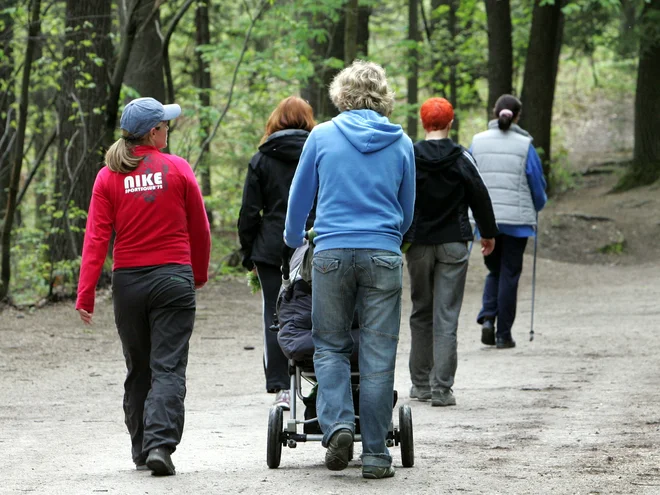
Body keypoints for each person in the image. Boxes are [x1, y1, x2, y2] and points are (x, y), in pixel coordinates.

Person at [284, 60, 415, 480]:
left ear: (341, 94)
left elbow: (298, 200)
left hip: (332, 252)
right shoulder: (402, 143)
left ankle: (338, 424)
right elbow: (408, 210)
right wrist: (389, 237)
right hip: (383, 254)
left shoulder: (321, 137)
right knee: (378, 357)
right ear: (383, 96)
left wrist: (293, 239)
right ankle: (376, 455)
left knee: (330, 346)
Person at [75, 97, 211, 476]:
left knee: (139, 369)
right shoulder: (178, 169)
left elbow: (96, 239)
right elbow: (200, 229)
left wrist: (86, 294)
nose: (169, 129)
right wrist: (197, 274)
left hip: (129, 284)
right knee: (167, 367)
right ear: (153, 132)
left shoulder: (108, 176)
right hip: (173, 279)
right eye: (165, 124)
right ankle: (159, 446)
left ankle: (141, 449)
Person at [404, 97, 498, 407]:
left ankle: (420, 384)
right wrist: (488, 233)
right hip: (454, 243)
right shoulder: (462, 158)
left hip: (417, 243)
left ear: (423, 122)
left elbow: (396, 194)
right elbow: (480, 196)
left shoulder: (409, 156)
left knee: (421, 311)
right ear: (450, 122)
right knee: (446, 315)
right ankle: (441, 389)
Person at [237, 96, 316, 410]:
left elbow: (248, 212)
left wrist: (249, 254)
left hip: (270, 247)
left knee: (274, 315)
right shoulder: (320, 151)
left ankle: (281, 388)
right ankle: (321, 377)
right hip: (313, 242)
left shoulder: (261, 158)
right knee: (318, 310)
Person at [469, 94, 547, 349]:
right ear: (518, 116)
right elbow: (536, 185)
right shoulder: (525, 145)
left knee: (495, 270)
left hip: (487, 222)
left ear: (495, 112)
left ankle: (488, 317)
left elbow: (469, 180)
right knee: (510, 274)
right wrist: (538, 206)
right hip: (517, 223)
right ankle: (503, 334)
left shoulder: (477, 142)